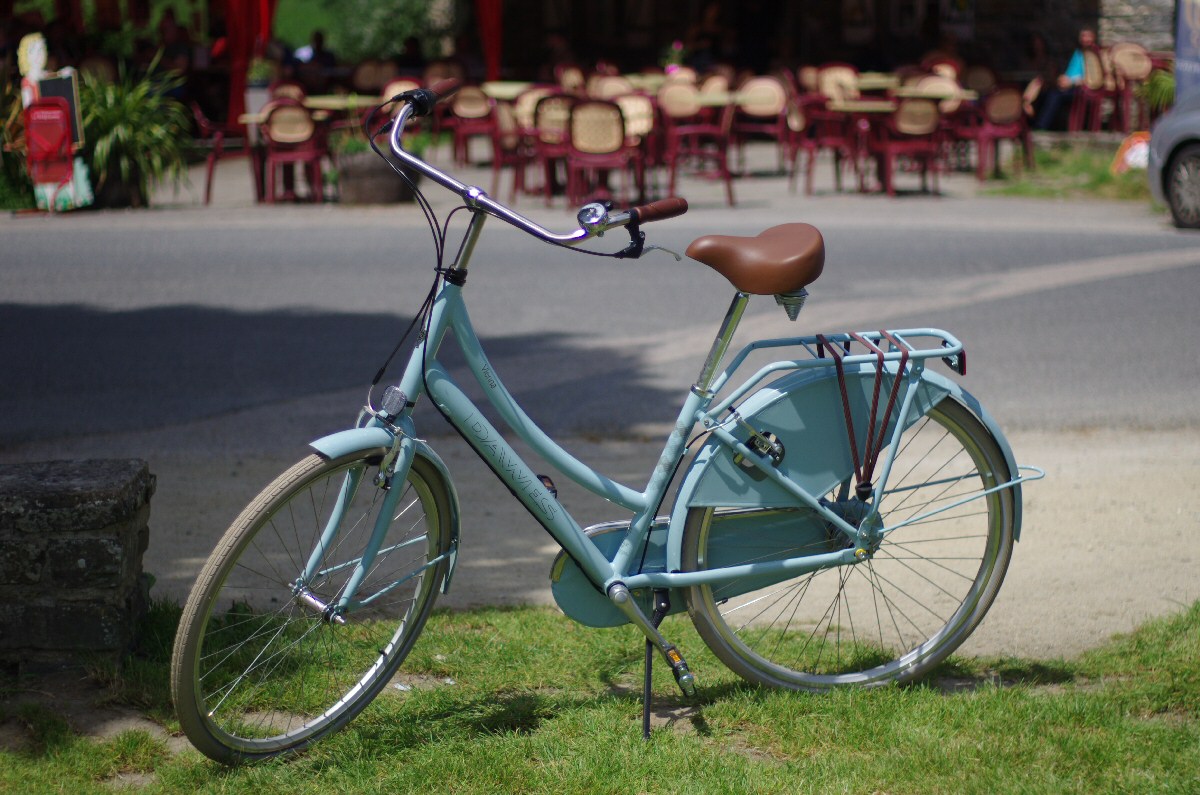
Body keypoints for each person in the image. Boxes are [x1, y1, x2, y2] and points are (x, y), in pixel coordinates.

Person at [1032, 26, 1096, 131]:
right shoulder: (1078, 53)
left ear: (1093, 37)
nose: (1085, 39)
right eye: (1083, 36)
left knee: (1054, 95)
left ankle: (1041, 126)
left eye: (1088, 36)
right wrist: (1063, 79)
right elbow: (1071, 72)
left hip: (1081, 88)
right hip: (1068, 84)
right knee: (1043, 90)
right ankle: (1035, 123)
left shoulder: (1094, 55)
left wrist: (1071, 82)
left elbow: (1092, 77)